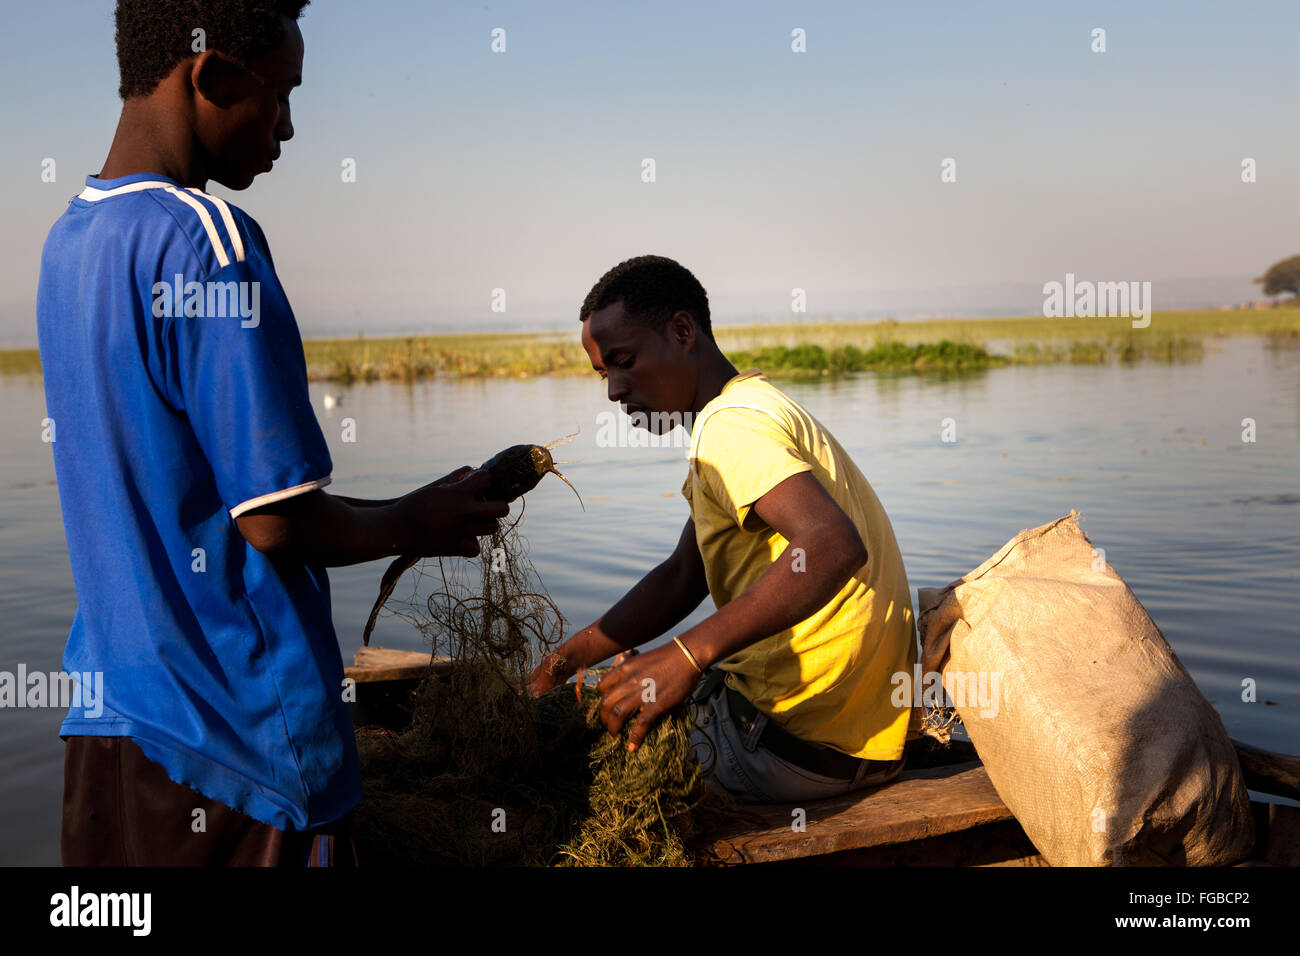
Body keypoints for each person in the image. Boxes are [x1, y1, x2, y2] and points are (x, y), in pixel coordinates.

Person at [37, 0, 507, 865]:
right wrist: (417, 520)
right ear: (211, 76)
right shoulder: (209, 242)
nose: (288, 128)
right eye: (281, 95)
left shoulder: (71, 240)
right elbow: (275, 519)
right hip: (237, 748)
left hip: (112, 724)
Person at [527, 256, 917, 803]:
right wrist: (566, 660)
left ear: (683, 332)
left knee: (564, 776)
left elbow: (831, 544)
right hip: (861, 745)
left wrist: (685, 657)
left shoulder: (727, 428)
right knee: (614, 693)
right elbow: (686, 574)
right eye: (603, 374)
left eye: (624, 361)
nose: (614, 391)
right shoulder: (752, 407)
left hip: (789, 747)